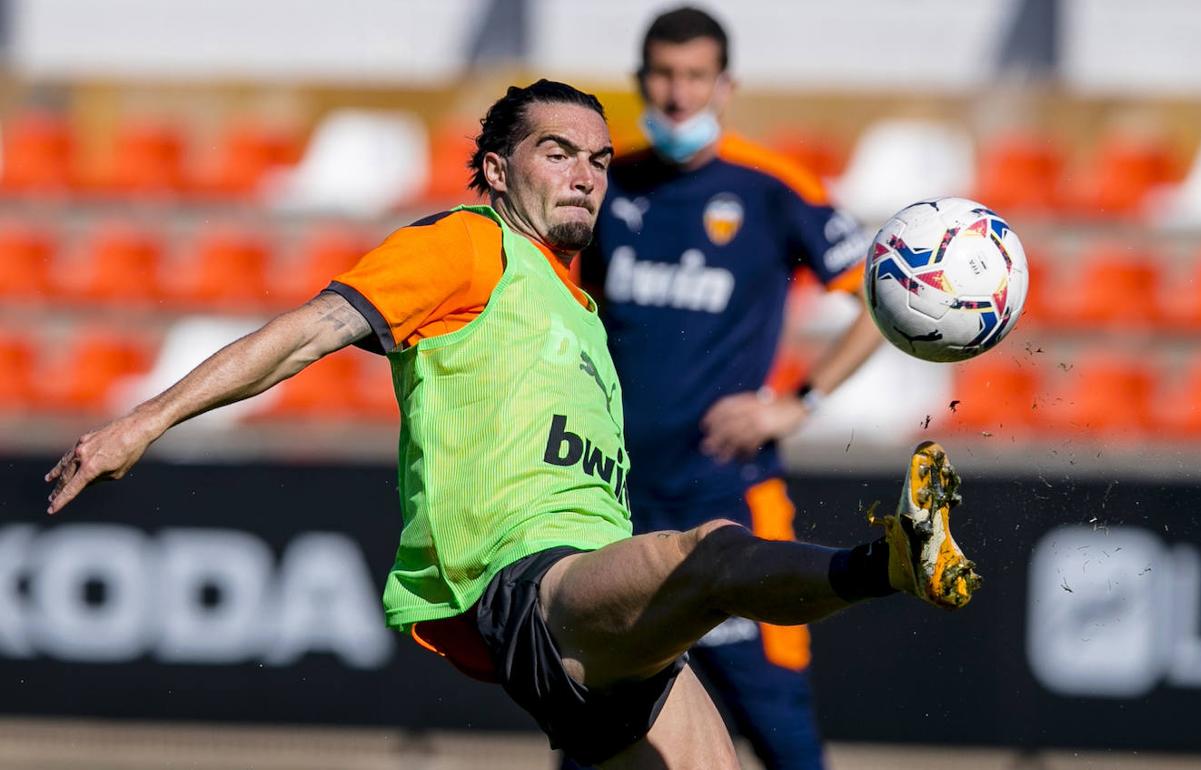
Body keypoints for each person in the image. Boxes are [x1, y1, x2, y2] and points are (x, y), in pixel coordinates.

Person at [45, 79, 980, 770]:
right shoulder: (465, 245)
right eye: (558, 152)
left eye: (600, 160)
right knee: (709, 558)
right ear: (497, 168)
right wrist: (144, 421)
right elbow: (301, 336)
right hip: (523, 585)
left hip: (596, 597)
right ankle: (889, 561)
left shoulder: (577, 306)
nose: (586, 175)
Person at [576, 9, 881, 768]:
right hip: (608, 501)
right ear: (640, 81)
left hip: (728, 501)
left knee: (776, 725)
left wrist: (796, 403)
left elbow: (882, 294)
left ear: (726, 86)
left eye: (694, 77)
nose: (678, 95)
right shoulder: (611, 186)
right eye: (663, 76)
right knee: (595, 729)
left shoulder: (771, 186)